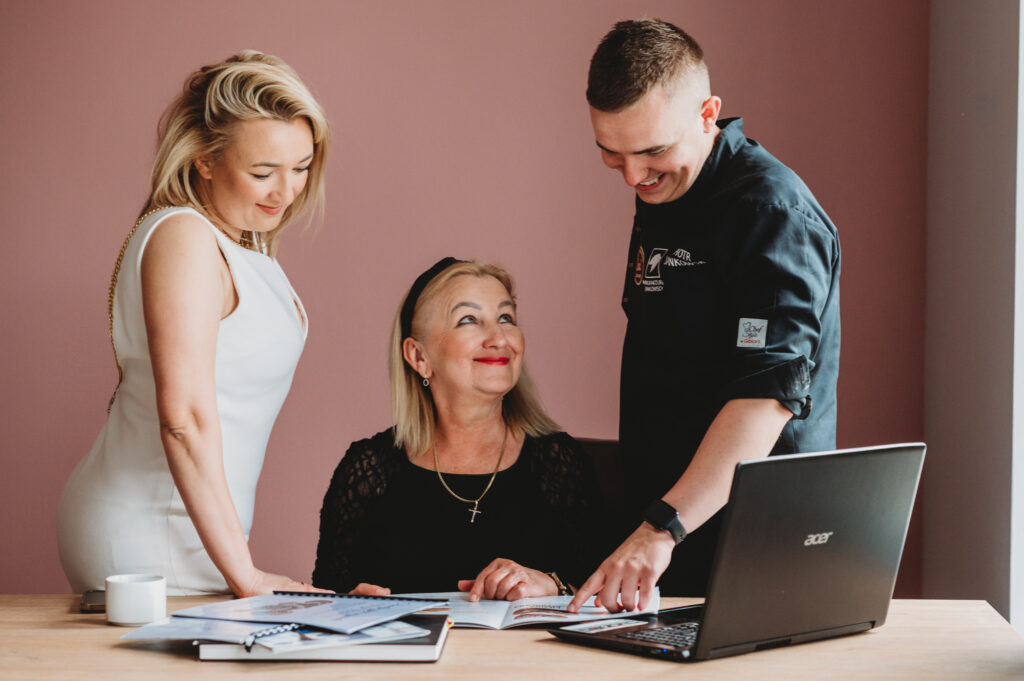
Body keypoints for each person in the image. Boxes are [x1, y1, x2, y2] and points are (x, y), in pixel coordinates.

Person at [569, 19, 840, 613]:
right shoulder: (665, 193)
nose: (635, 177)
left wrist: (659, 529)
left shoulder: (774, 212)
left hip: (762, 551)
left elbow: (765, 397)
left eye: (653, 152)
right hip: (667, 548)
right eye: (611, 156)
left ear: (707, 113)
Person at [57, 51, 330, 596]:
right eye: (262, 172)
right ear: (204, 159)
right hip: (148, 533)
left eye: (300, 167)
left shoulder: (242, 245)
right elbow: (182, 417)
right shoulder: (185, 236)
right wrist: (246, 574)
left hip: (198, 536)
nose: (286, 191)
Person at [313, 259, 603, 600]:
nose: (499, 338)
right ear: (419, 356)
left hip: (521, 655)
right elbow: (324, 602)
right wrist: (348, 604)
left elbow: (601, 599)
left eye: (506, 318)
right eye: (469, 320)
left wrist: (553, 585)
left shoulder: (559, 462)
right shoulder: (367, 469)